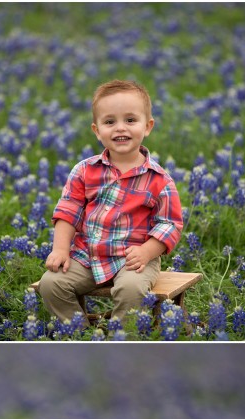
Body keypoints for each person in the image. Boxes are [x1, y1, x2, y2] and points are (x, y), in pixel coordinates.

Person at [38, 79, 183, 323]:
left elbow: (169, 224)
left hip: (133, 261)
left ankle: (123, 337)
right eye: (109, 122)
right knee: (51, 284)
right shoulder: (84, 170)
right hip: (86, 256)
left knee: (131, 290)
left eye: (130, 120)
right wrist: (61, 249)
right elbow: (68, 211)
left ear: (147, 127)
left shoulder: (159, 180)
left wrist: (147, 252)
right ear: (97, 131)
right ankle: (78, 333)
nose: (120, 128)